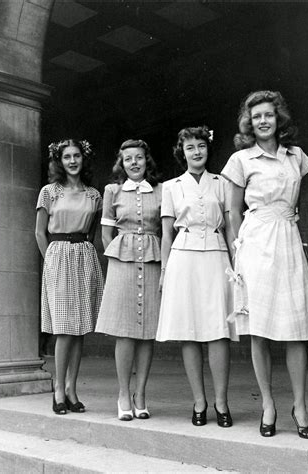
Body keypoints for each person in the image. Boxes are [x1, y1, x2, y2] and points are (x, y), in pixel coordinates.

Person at [221, 90, 308, 439]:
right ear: (249, 123)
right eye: (257, 116)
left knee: (297, 329)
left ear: (279, 119)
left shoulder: (296, 157)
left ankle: (300, 405)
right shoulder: (241, 160)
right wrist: (237, 254)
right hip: (255, 243)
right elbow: (233, 212)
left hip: (288, 239)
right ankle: (268, 404)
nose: (263, 121)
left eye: (269, 114)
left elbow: (297, 203)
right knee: (259, 329)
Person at [156, 126, 237, 428]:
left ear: (208, 148)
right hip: (183, 258)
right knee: (189, 330)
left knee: (219, 330)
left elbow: (230, 228)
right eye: (190, 147)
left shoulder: (222, 183)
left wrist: (237, 265)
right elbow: (166, 235)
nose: (196, 152)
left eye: (201, 146)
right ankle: (199, 401)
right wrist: (164, 271)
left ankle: (221, 401)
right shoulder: (171, 187)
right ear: (182, 152)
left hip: (216, 257)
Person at [35, 138, 103, 415]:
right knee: (64, 328)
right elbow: (39, 232)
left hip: (84, 256)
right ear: (59, 161)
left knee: (80, 328)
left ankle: (72, 389)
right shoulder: (49, 192)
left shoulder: (94, 195)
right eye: (67, 157)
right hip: (58, 256)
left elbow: (93, 233)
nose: (72, 161)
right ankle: (58, 390)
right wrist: (50, 260)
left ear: (83, 159)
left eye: (77, 156)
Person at [95, 139, 162, 421]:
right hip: (122, 262)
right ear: (121, 164)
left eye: (139, 157)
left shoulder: (161, 190)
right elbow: (106, 233)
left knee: (147, 330)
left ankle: (140, 393)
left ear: (147, 160)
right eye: (128, 159)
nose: (134, 163)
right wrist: (117, 257)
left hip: (152, 260)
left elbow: (165, 229)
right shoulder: (112, 191)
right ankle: (123, 393)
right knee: (124, 331)